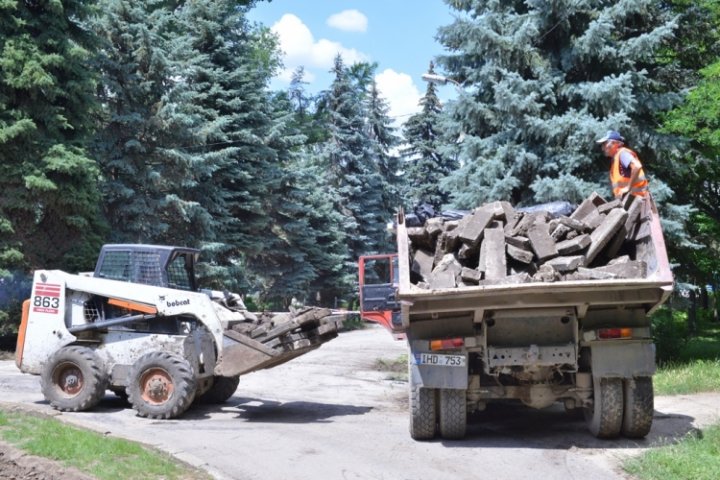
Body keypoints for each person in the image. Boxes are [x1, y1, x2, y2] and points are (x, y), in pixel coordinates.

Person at [596, 130, 649, 199]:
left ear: (614, 143)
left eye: (604, 144)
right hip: (630, 200)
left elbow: (637, 166)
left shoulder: (623, 154)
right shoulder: (616, 160)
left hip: (636, 200)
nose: (603, 148)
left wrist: (628, 187)